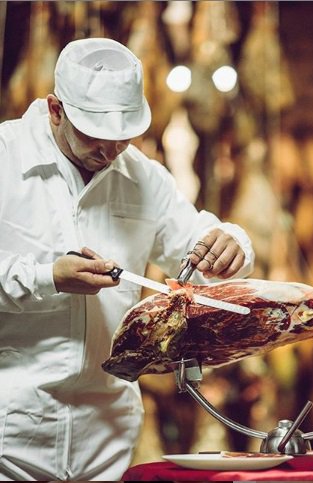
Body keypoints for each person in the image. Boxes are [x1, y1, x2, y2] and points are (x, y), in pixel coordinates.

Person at [0, 37, 254, 481]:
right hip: (10, 430)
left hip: (107, 439)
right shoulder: (5, 157)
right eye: (93, 137)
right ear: (56, 110)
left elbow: (199, 244)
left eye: (122, 138)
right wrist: (47, 278)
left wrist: (231, 244)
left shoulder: (142, 176)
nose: (110, 152)